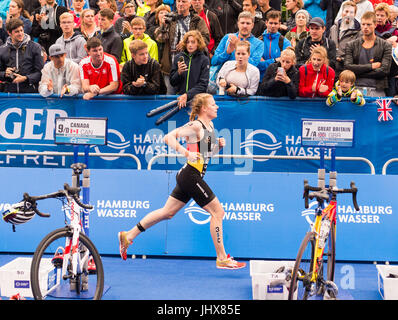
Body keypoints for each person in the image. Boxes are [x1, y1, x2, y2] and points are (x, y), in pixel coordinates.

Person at [117, 92, 247, 270]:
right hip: (190, 175)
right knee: (218, 212)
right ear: (203, 108)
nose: (217, 107)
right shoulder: (195, 125)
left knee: (167, 213)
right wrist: (186, 153)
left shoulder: (210, 125)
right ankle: (222, 258)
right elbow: (168, 137)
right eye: (213, 104)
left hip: (192, 174)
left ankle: (128, 235)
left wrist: (218, 146)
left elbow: (207, 156)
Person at [154, 0, 210, 94]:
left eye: (183, 1)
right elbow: (160, 39)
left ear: (189, 4)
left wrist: (186, 42)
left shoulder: (197, 20)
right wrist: (163, 26)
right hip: (170, 65)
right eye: (178, 1)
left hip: (192, 66)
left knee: (190, 97)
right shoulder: (170, 18)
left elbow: (205, 39)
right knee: (170, 98)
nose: (180, 4)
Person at [344, 11, 392, 97]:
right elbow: (348, 67)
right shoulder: (351, 44)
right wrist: (371, 66)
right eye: (363, 24)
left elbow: (384, 70)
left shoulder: (386, 45)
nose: (365, 27)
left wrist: (358, 72)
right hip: (355, 89)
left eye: (369, 24)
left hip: (377, 90)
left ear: (375, 25)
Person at [0, 18, 44, 93]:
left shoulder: (35, 47)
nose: (20, 33)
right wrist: (5, 74)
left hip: (30, 94)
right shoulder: (2, 50)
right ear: (9, 33)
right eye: (17, 32)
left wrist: (26, 78)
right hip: (10, 94)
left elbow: (40, 73)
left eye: (21, 30)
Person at [170, 30, 210, 108]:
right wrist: (179, 72)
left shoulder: (204, 59)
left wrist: (187, 95)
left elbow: (203, 85)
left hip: (197, 101)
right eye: (188, 42)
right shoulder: (178, 57)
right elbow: (172, 82)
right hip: (180, 100)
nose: (190, 45)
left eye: (193, 42)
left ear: (198, 43)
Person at [329, 1, 361, 75]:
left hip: (348, 71)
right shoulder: (333, 28)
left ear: (355, 14)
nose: (348, 15)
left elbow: (357, 54)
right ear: (342, 12)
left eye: (351, 12)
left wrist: (342, 59)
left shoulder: (359, 32)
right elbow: (329, 47)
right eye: (346, 11)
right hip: (332, 68)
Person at [258, 10, 291, 79]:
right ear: (266, 23)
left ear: (279, 24)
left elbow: (286, 65)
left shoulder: (285, 42)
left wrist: (265, 62)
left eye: (275, 23)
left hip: (278, 80)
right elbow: (258, 64)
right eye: (271, 23)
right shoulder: (258, 41)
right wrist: (275, 60)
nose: (273, 26)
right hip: (261, 80)